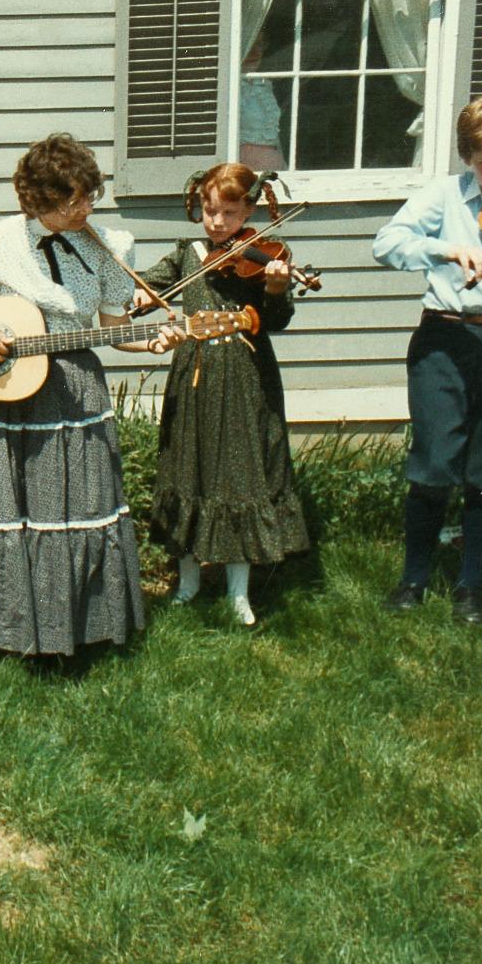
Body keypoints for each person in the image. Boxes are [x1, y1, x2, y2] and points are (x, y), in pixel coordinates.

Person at [0, 134, 174, 688]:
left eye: (88, 198)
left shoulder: (105, 246)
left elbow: (113, 328)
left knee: (65, 510)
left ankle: (60, 637)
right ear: (38, 199)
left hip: (71, 390)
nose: (85, 210)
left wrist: (151, 342)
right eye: (72, 201)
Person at [373, 91, 482, 626]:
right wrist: (446, 249)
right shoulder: (443, 196)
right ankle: (414, 578)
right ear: (467, 156)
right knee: (435, 462)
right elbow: (387, 242)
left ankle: (472, 587)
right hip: (446, 338)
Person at [137, 165, 309, 626]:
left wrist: (275, 285)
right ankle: (188, 581)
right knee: (187, 466)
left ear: (249, 210)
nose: (217, 223)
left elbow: (276, 319)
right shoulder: (185, 252)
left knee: (241, 472)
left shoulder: (265, 253)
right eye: (210, 211)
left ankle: (239, 593)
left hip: (246, 374)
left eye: (229, 213)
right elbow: (150, 284)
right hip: (193, 372)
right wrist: (141, 297)